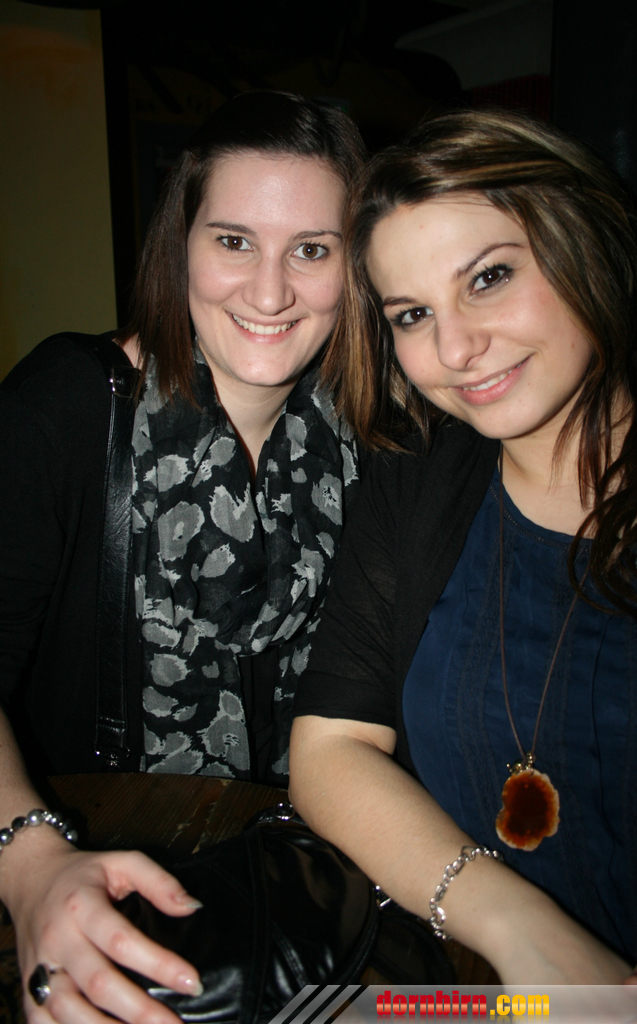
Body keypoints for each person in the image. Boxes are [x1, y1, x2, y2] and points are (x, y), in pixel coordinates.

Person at [290, 109, 637, 985]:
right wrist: (520, 933)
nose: (455, 347)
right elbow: (328, 752)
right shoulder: (414, 480)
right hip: (467, 994)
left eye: (489, 277)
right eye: (412, 313)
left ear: (584, 245)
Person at [0, 90, 365, 1023]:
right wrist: (29, 861)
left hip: (309, 898)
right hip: (98, 881)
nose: (269, 293)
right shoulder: (67, 405)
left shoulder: (374, 434)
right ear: (180, 244)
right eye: (234, 240)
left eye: (312, 250)